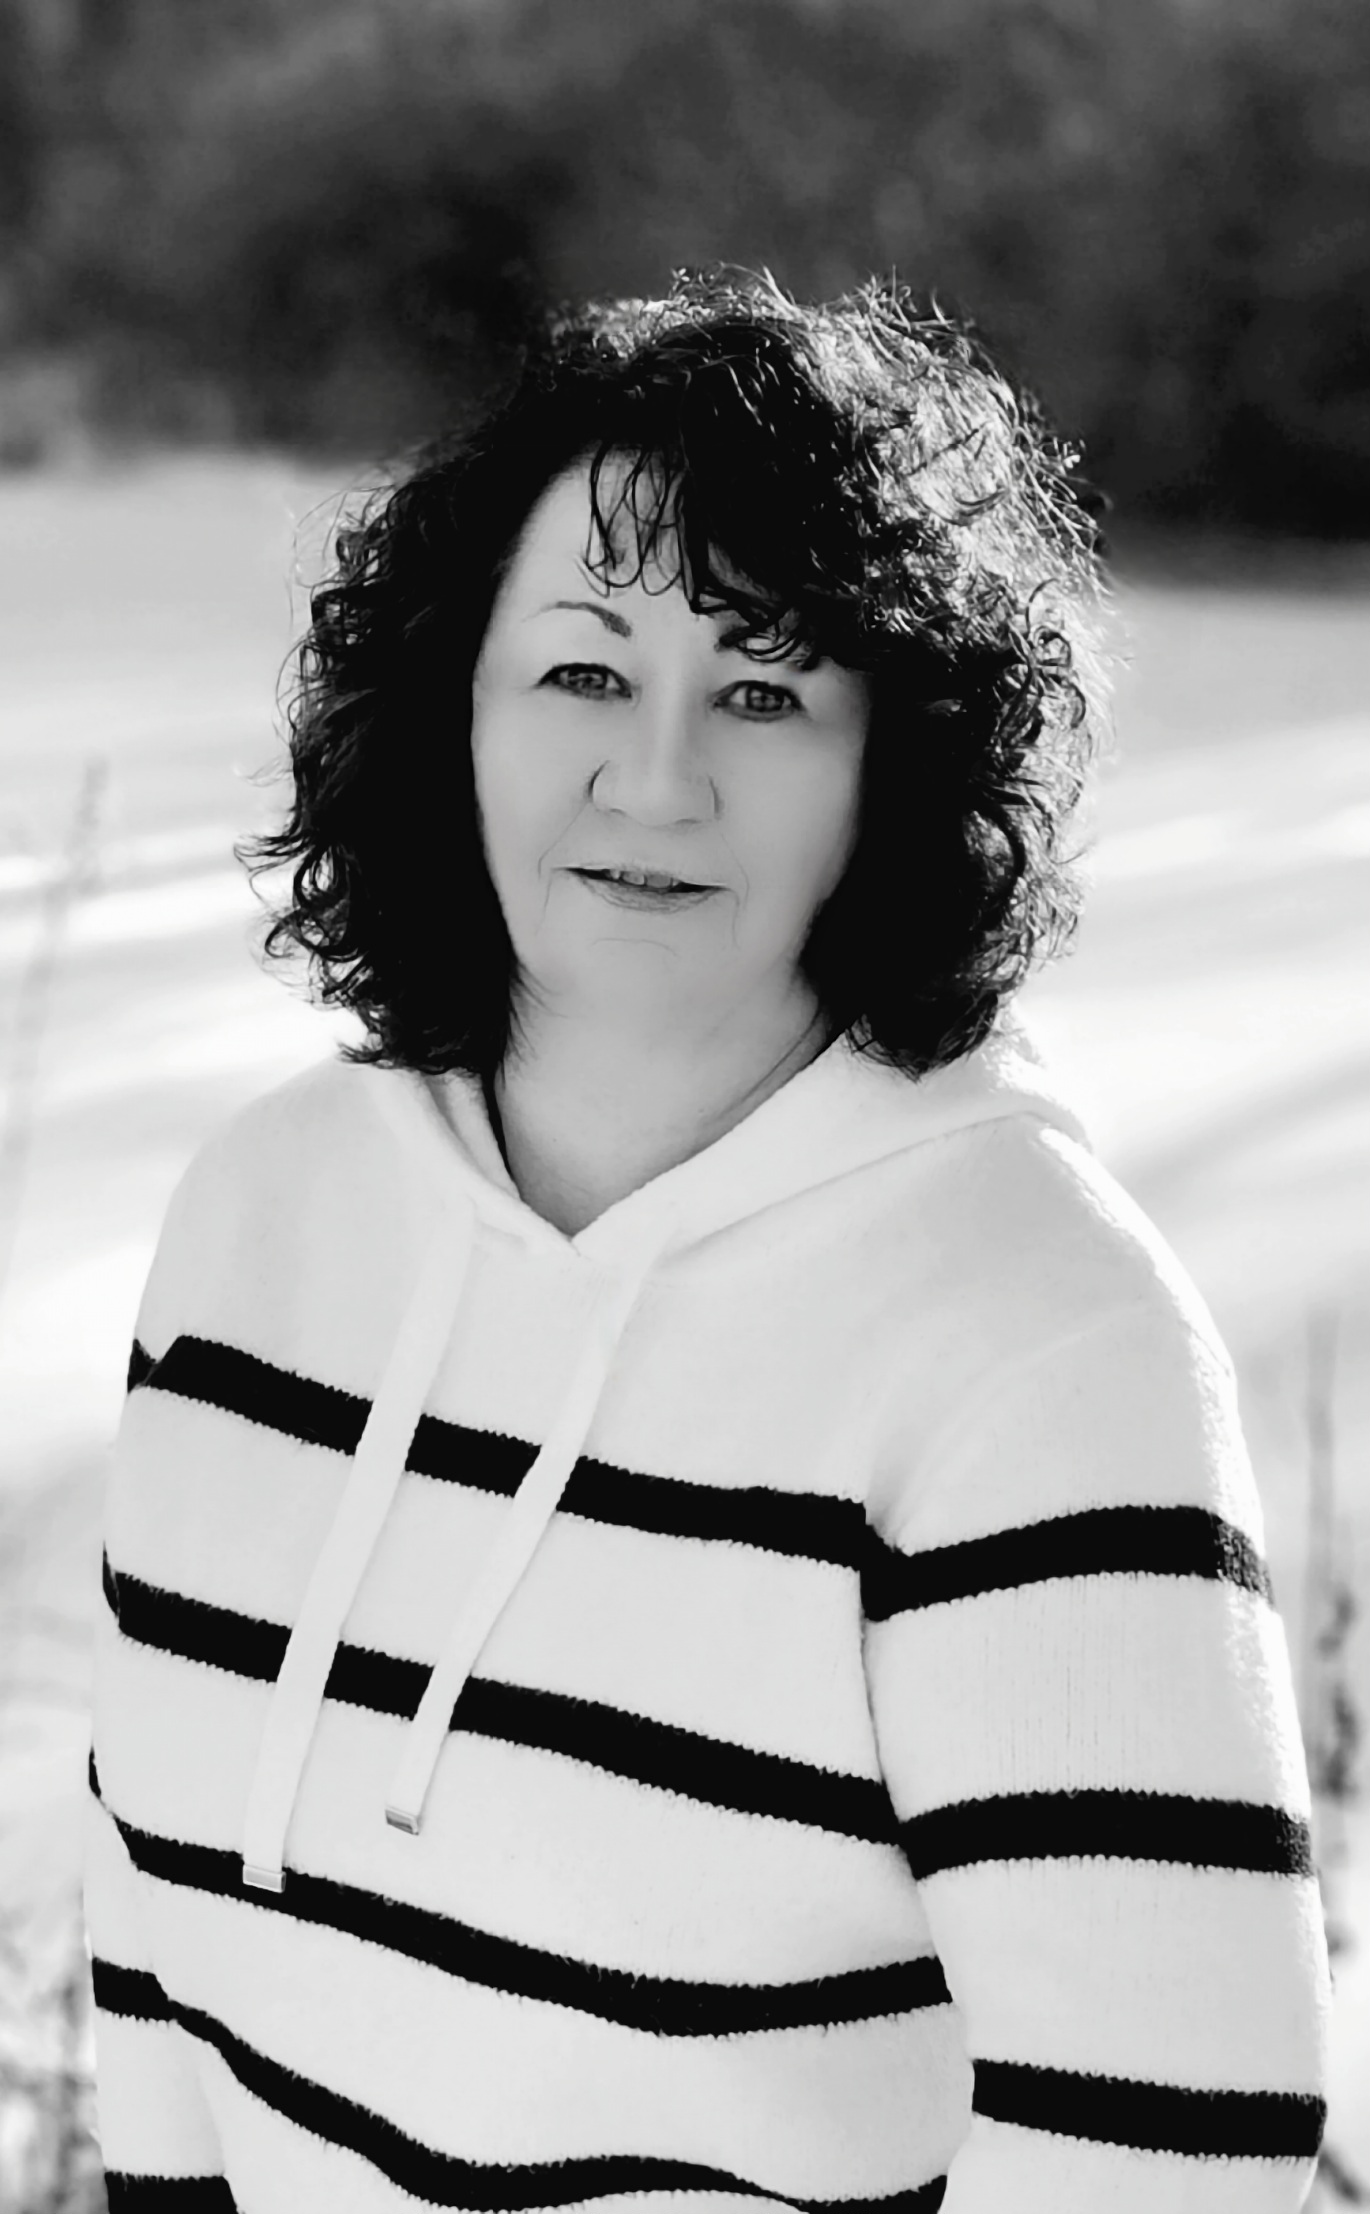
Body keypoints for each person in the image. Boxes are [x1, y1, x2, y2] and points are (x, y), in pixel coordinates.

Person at [83, 271, 1330, 2212]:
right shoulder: (261, 1217)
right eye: (584, 671)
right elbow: (149, 1961)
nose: (656, 779)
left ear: (889, 764)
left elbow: (1173, 2144)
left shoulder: (1034, 1339)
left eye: (761, 691)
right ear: (449, 706)